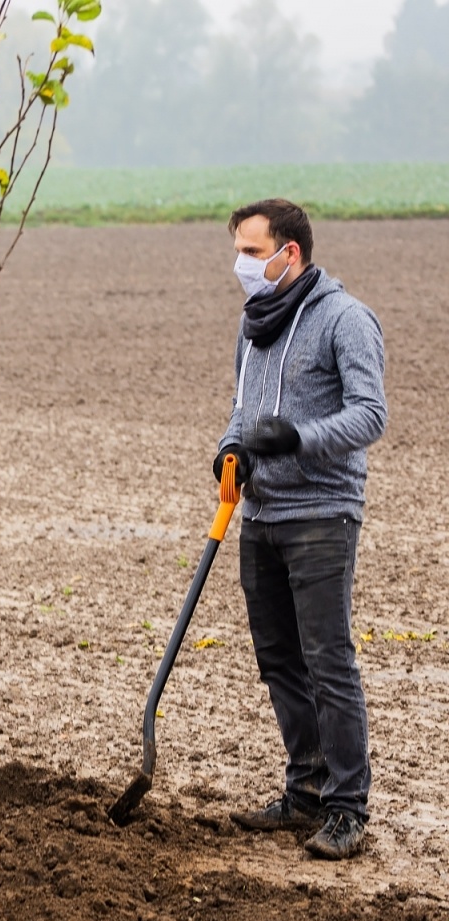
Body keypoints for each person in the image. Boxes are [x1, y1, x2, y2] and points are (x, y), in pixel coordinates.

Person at [216, 199, 386, 861]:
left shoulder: (345, 319)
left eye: (253, 253)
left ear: (291, 253)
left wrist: (297, 439)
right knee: (280, 661)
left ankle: (347, 808)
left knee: (329, 663)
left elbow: (370, 415)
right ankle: (305, 791)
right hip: (259, 514)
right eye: (238, 251)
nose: (241, 265)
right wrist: (229, 451)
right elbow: (241, 409)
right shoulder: (253, 324)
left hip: (321, 515)